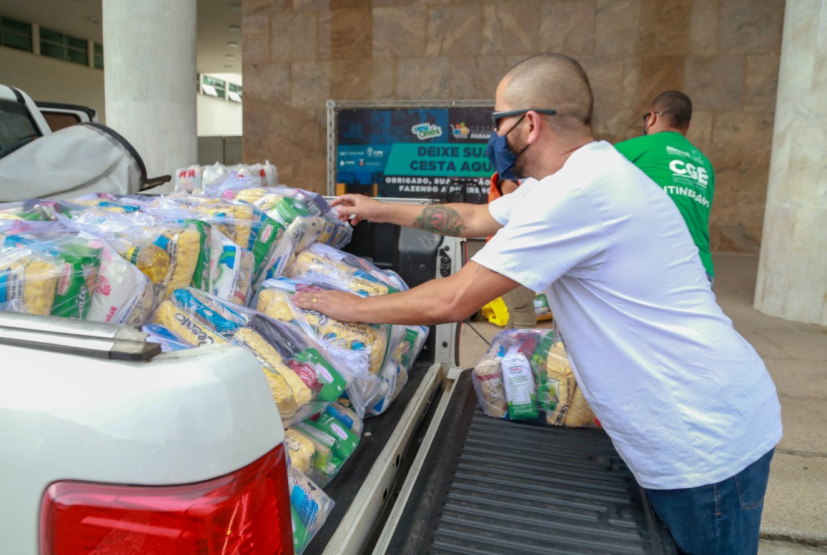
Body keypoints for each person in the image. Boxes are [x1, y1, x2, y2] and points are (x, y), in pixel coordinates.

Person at [294, 53, 781, 555]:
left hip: (702, 438)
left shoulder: (576, 195)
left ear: (529, 123)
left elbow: (455, 298)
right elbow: (474, 219)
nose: (493, 135)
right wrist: (375, 208)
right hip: (696, 416)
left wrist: (347, 306)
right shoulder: (583, 175)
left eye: (497, 121)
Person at [616, 91, 716, 281]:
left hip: (655, 266)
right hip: (701, 270)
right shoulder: (704, 164)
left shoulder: (630, 149)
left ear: (652, 117)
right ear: (688, 126)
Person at [487, 173, 537, 328]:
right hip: (511, 252)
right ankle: (522, 352)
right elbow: (520, 215)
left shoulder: (518, 179)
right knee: (523, 312)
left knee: (517, 313)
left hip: (511, 250)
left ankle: (509, 352)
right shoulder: (509, 180)